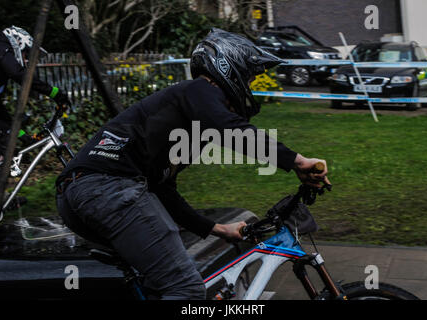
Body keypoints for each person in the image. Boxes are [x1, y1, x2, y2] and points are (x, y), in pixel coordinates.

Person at [55, 28, 330, 300]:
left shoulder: (187, 116)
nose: (248, 86)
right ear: (228, 66)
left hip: (81, 194)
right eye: (249, 76)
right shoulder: (200, 89)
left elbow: (163, 189)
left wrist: (217, 229)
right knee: (185, 288)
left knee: (158, 282)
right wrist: (297, 161)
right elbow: (230, 128)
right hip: (109, 190)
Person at [0, 26, 70, 167]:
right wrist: (54, 92)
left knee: (3, 154)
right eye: (26, 55)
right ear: (19, 42)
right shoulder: (0, 44)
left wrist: (24, 137)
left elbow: (0, 115)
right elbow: (18, 73)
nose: (25, 61)